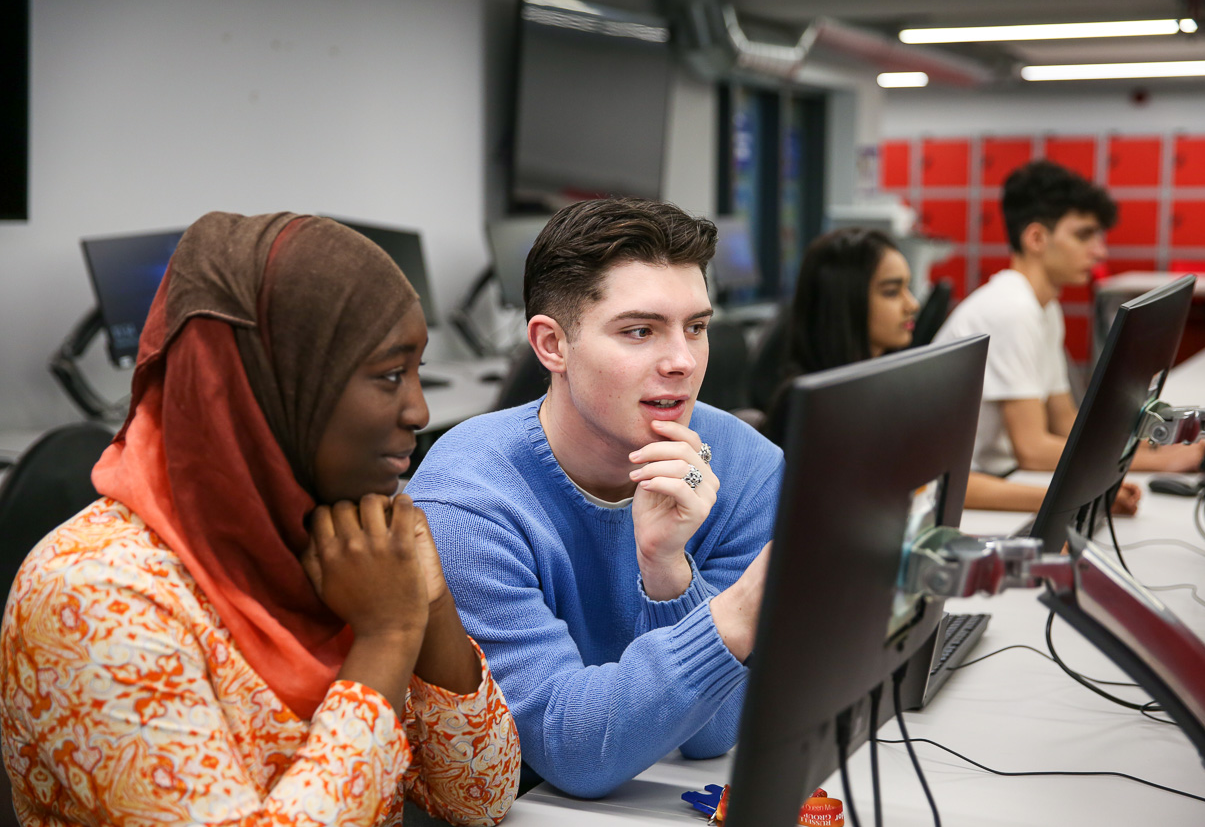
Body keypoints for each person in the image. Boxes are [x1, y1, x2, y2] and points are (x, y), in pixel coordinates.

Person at [0, 213, 520, 826]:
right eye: (388, 375)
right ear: (266, 388)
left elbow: (480, 799)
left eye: (416, 371)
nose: (419, 408)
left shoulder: (335, 540)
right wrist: (384, 639)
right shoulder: (96, 596)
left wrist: (429, 604)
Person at [407, 198, 782, 799]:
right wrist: (736, 613)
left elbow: (716, 734)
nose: (683, 362)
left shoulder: (746, 464)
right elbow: (570, 751)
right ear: (552, 345)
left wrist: (667, 572)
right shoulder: (469, 500)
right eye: (640, 331)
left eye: (697, 327)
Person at [765, 226, 1139, 514]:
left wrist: (1076, 497)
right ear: (844, 302)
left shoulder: (881, 385)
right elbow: (924, 490)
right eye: (892, 292)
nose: (912, 305)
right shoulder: (814, 403)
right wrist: (1070, 499)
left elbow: (937, 483)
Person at [934, 160, 1204, 478]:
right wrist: (1160, 463)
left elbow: (1064, 420)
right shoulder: (1011, 309)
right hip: (965, 490)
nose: (1100, 252)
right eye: (1084, 235)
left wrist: (1151, 445)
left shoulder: (1043, 307)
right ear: (1036, 238)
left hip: (998, 476)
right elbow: (1032, 449)